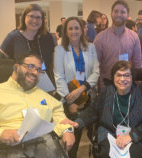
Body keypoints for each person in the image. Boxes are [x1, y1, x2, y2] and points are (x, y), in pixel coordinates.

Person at [62, 61, 142, 158]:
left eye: (126, 75)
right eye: (119, 75)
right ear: (113, 78)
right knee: (106, 153)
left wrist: (132, 136)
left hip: (136, 134)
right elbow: (93, 111)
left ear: (132, 77)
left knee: (136, 154)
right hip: (110, 133)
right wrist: (77, 123)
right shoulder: (107, 92)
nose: (122, 79)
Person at [0, 53, 75, 157]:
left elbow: (59, 115)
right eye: (30, 66)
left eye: (38, 70)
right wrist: (0, 134)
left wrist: (67, 130)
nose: (35, 72)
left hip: (42, 147)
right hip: (5, 148)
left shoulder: (44, 96)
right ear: (16, 67)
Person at [53, 17, 100, 158]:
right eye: (70, 28)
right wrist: (71, 101)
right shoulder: (60, 50)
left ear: (82, 30)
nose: (74, 31)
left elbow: (96, 72)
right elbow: (58, 77)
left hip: (87, 96)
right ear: (65, 32)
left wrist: (82, 89)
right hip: (68, 99)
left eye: (76, 28)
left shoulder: (91, 47)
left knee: (85, 136)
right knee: (70, 139)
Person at [0, 4, 56, 87]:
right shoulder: (13, 37)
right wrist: (20, 69)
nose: (35, 20)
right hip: (21, 85)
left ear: (42, 20)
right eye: (31, 16)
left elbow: (52, 64)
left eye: (38, 17)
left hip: (45, 84)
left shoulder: (47, 37)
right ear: (24, 17)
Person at [94, 0, 142, 91]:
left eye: (122, 12)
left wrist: (137, 87)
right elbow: (95, 66)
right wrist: (101, 87)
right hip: (107, 85)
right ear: (111, 13)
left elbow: (137, 64)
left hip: (127, 85)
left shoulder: (134, 37)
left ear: (128, 15)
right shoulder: (99, 38)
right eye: (116, 11)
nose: (119, 14)